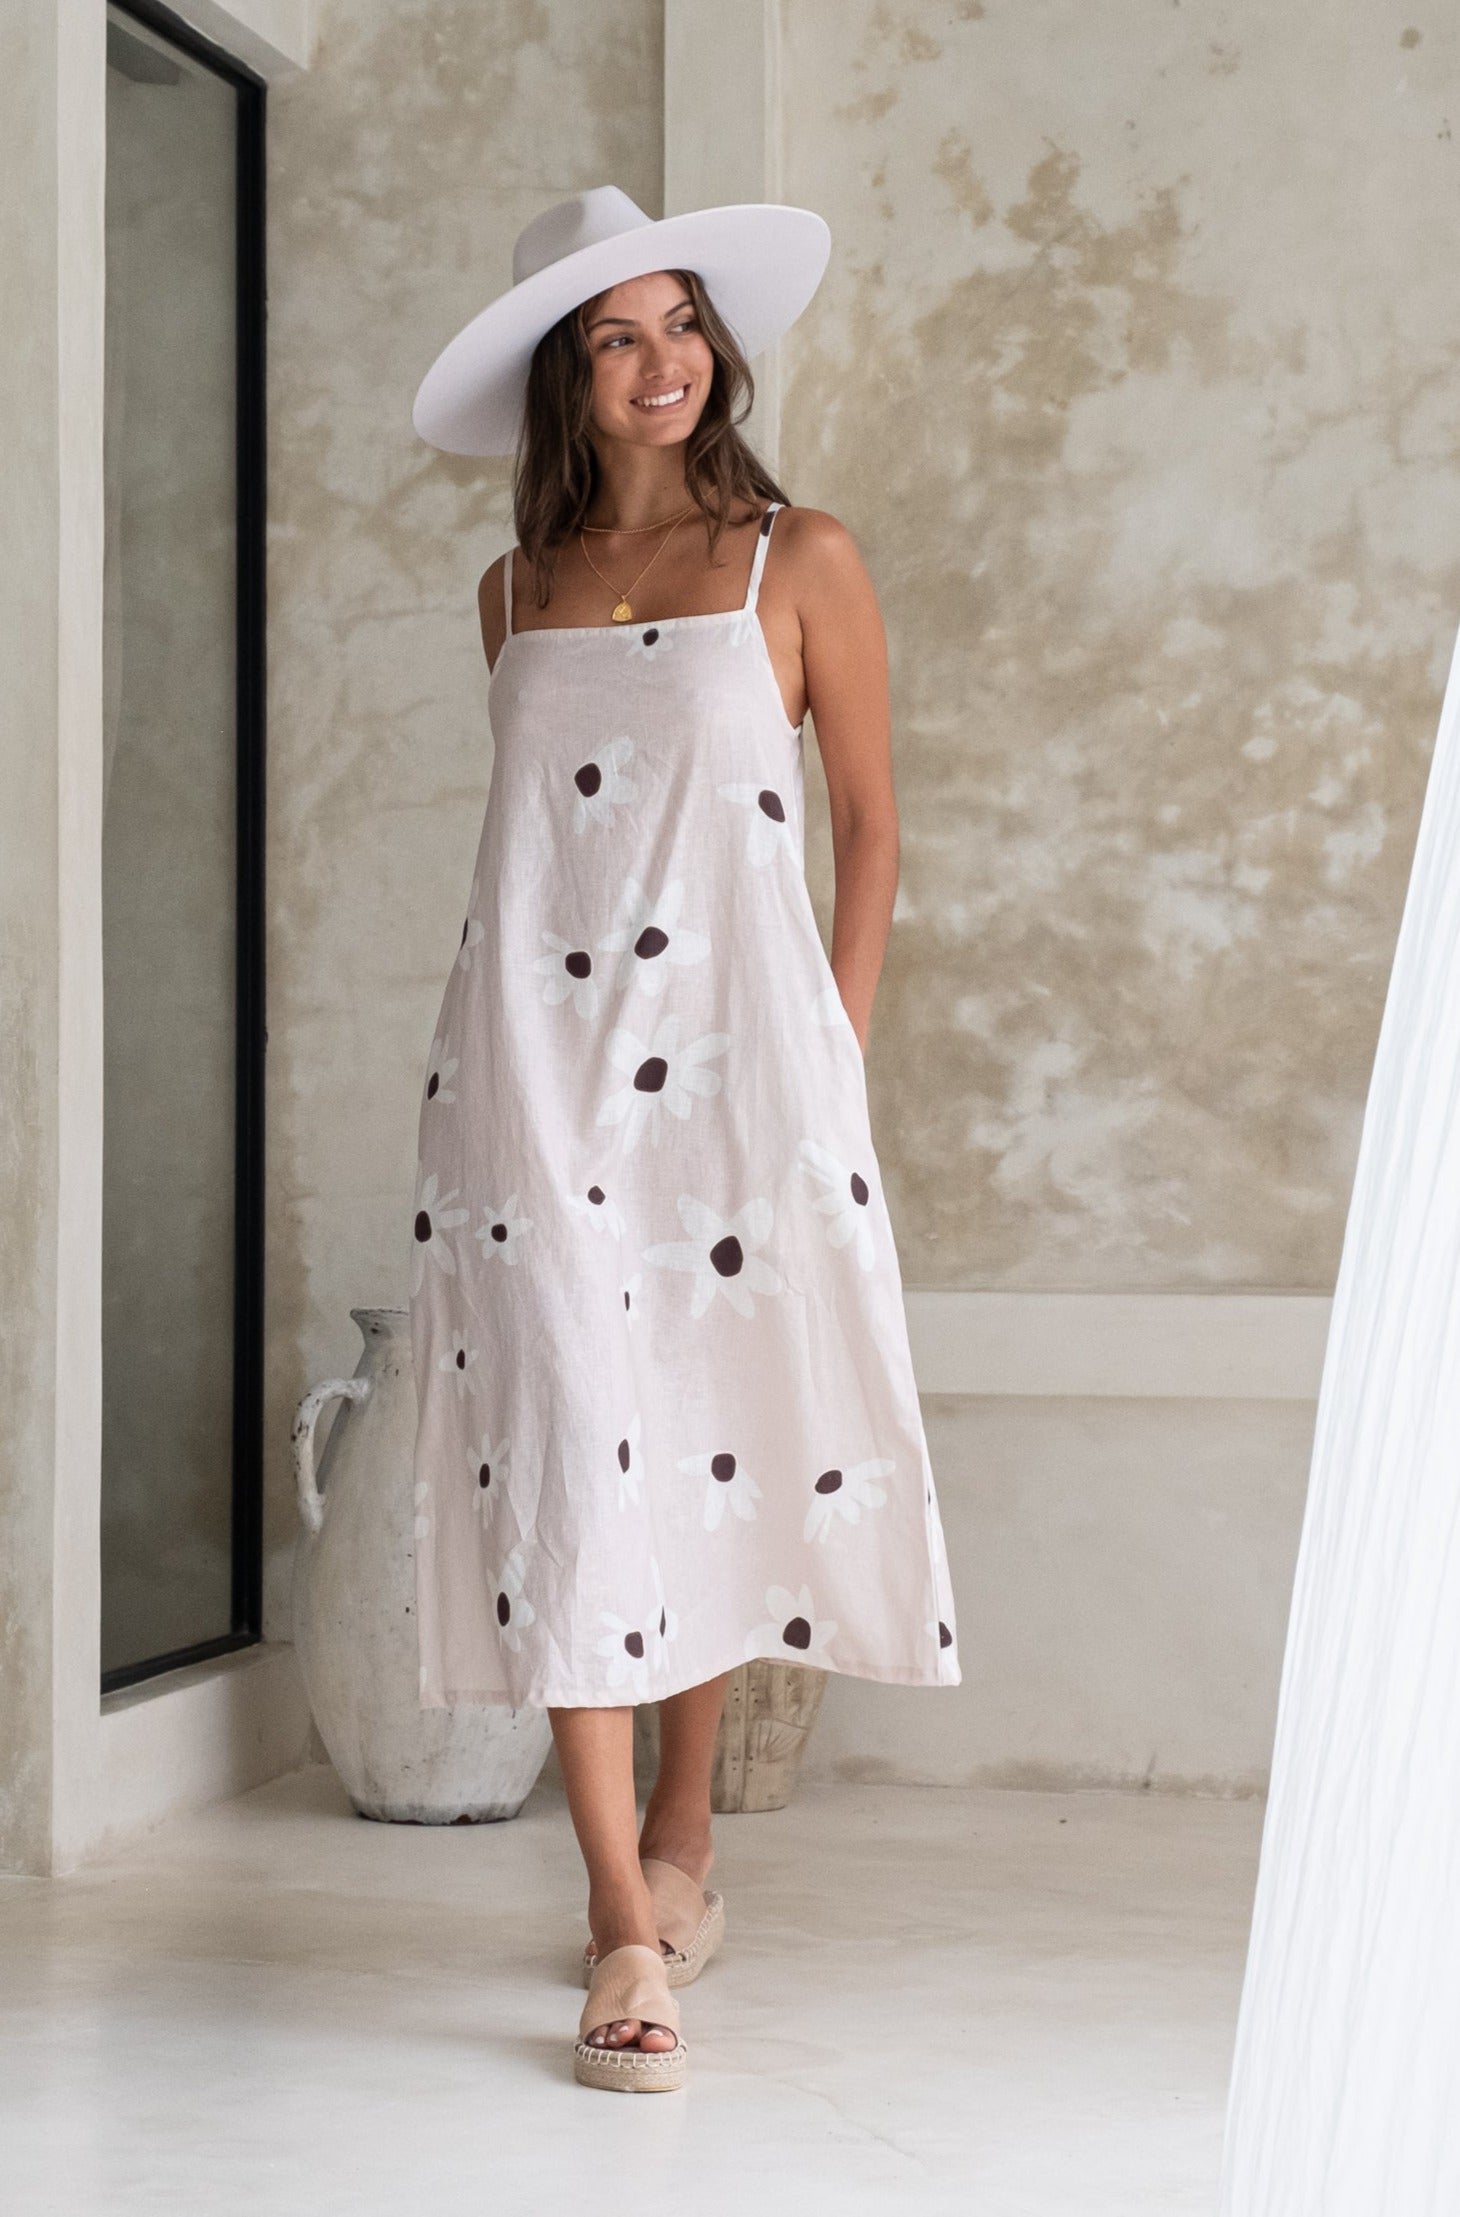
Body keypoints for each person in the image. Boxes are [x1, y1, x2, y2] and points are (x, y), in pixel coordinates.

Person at [408, 186, 959, 2093]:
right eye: (618, 338)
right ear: (572, 376)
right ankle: (619, 1922)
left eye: (683, 325)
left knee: (701, 1432)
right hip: (532, 1077)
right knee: (572, 1437)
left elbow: (874, 825)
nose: (666, 364)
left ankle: (691, 1834)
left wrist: (828, 1054)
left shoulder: (796, 557)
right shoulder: (513, 587)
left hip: (738, 1085)